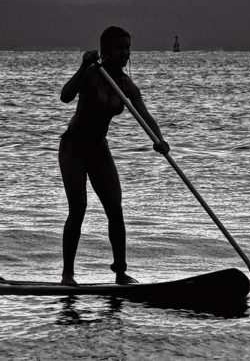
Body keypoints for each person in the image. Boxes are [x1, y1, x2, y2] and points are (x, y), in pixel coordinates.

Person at [58, 26, 170, 286]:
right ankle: (67, 276)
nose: (125, 53)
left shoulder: (126, 85)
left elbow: (145, 116)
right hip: (73, 148)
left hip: (99, 149)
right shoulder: (92, 74)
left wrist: (160, 141)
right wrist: (82, 66)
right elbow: (65, 96)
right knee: (79, 209)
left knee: (115, 209)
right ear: (106, 51)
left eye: (128, 48)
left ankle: (120, 272)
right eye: (119, 48)